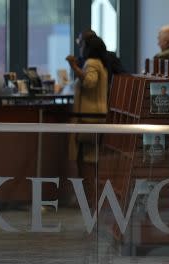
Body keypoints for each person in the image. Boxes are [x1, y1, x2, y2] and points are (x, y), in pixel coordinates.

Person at [66, 34, 109, 181]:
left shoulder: (91, 63)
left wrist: (74, 67)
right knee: (91, 158)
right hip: (97, 116)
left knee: (86, 160)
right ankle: (91, 199)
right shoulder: (100, 63)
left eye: (82, 45)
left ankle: (89, 199)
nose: (80, 48)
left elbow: (90, 82)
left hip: (89, 118)